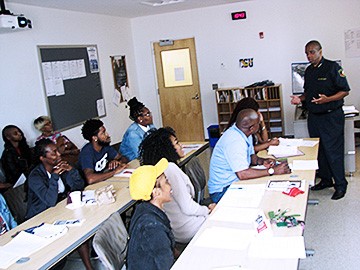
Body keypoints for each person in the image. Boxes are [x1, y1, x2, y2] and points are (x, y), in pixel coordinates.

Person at [290, 40, 350, 200]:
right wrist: (299, 99)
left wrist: (328, 99)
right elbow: (308, 94)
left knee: (333, 152)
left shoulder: (333, 68)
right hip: (314, 117)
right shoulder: (309, 71)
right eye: (306, 53)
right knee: (320, 151)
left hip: (331, 117)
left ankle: (340, 185)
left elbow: (345, 91)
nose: (309, 56)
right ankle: (325, 180)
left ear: (320, 51)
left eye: (312, 52)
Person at [139, 127, 216, 243]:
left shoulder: (160, 169)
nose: (181, 146)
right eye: (177, 143)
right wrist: (208, 211)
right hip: (188, 228)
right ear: (168, 149)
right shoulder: (171, 169)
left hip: (178, 228)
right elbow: (188, 207)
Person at [26, 138, 92, 269]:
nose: (59, 155)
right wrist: (55, 177)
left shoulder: (60, 167)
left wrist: (71, 170)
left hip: (59, 211)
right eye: (54, 153)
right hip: (40, 218)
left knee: (80, 230)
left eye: (57, 151)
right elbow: (49, 201)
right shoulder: (35, 177)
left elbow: (78, 186)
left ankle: (89, 267)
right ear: (42, 158)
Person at [208, 109, 290, 203]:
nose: (259, 126)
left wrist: (262, 161)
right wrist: (272, 171)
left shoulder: (245, 133)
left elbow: (250, 157)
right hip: (222, 190)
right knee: (267, 196)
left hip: (235, 181)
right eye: (258, 124)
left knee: (270, 187)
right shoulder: (235, 140)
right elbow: (243, 174)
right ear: (251, 128)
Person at [127, 158, 175, 270]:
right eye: (166, 182)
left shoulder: (144, 209)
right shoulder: (152, 227)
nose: (170, 185)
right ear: (156, 192)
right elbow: (167, 265)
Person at [78, 119, 127, 184]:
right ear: (95, 138)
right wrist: (114, 172)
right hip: (94, 187)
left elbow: (124, 158)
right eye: (103, 133)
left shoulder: (105, 146)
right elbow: (90, 179)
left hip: (107, 181)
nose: (107, 135)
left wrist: (117, 161)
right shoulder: (86, 153)